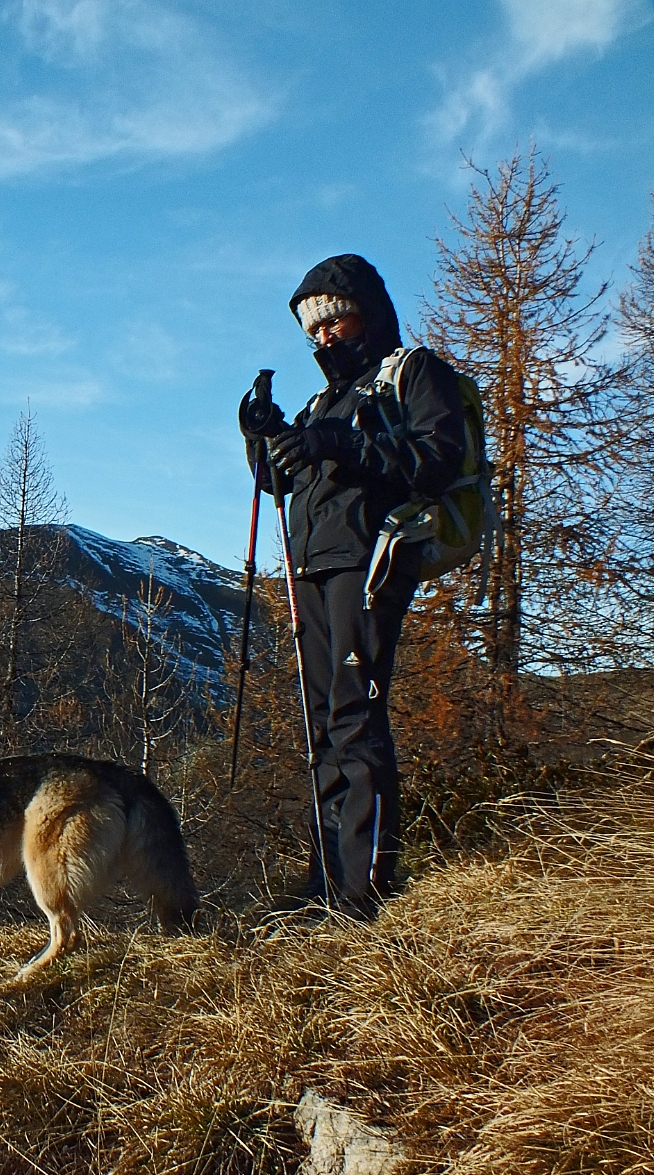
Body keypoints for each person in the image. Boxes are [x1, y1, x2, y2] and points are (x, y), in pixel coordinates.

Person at [239, 253, 467, 919]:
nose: (322, 337)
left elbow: (435, 463)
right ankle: (325, 881)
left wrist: (339, 441)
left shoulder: (413, 372)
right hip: (309, 567)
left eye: (334, 320)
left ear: (367, 313)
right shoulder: (321, 403)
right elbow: (280, 485)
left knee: (353, 713)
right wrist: (265, 439)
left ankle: (363, 893)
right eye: (313, 329)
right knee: (321, 726)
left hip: (370, 562)